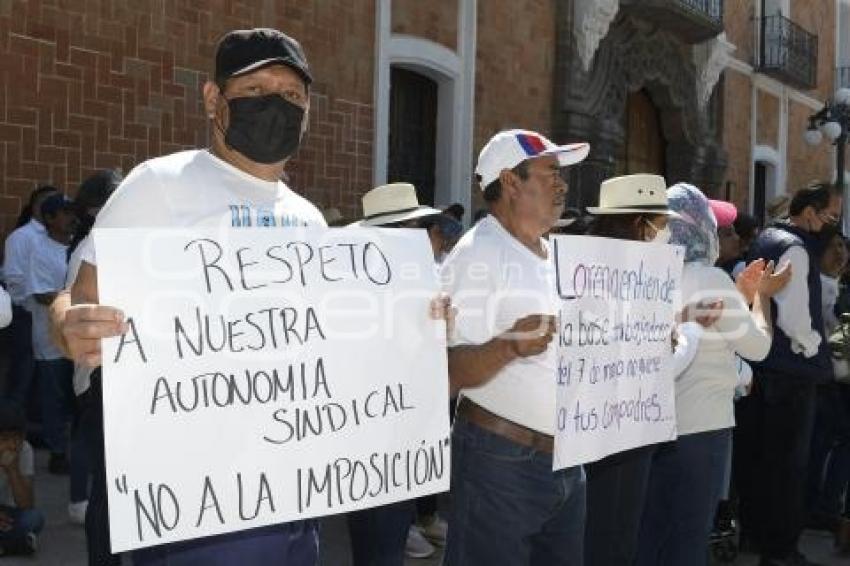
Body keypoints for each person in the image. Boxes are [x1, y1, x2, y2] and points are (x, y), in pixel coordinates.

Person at [50, 28, 327, 566]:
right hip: (199, 502)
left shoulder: (309, 218)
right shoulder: (159, 185)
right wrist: (69, 324)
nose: (277, 104)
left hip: (296, 488)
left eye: (292, 95)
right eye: (257, 90)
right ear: (212, 100)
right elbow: (74, 299)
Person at [442, 129, 590, 566]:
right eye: (550, 173)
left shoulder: (559, 256)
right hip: (500, 461)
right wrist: (508, 346)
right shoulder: (478, 254)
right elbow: (448, 369)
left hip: (564, 460)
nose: (562, 184)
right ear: (510, 181)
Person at [635, 183, 789, 566]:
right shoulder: (711, 278)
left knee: (649, 537)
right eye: (721, 228)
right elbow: (759, 347)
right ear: (700, 229)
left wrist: (742, 293)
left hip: (651, 428)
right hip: (702, 432)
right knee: (687, 541)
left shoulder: (647, 277)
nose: (729, 236)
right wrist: (763, 296)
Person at [580, 174, 703, 566]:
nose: (666, 235)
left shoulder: (593, 266)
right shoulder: (608, 276)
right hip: (611, 428)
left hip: (619, 425)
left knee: (609, 533)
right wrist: (686, 335)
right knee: (610, 535)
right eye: (663, 226)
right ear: (640, 224)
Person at [346, 182, 454, 564]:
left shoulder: (420, 284)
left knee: (385, 544)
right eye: (411, 230)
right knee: (376, 545)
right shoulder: (354, 293)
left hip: (404, 436)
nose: (421, 238)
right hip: (368, 437)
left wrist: (441, 327)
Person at [737, 182, 842, 566]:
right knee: (787, 468)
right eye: (831, 215)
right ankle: (780, 550)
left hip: (763, 366)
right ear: (810, 212)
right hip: (791, 374)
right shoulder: (795, 248)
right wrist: (817, 352)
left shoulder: (768, 237)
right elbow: (797, 319)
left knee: (760, 460)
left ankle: (756, 537)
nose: (834, 224)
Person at [66, 170, 122, 526]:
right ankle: (78, 501)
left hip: (119, 374)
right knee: (96, 459)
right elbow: (70, 308)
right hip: (97, 372)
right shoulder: (90, 251)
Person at [27, 194, 76, 475]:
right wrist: (79, 296)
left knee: (76, 399)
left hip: (77, 337)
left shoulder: (78, 245)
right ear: (48, 219)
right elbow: (42, 294)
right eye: (63, 212)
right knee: (54, 398)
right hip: (50, 341)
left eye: (71, 211)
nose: (70, 217)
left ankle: (77, 452)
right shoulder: (39, 249)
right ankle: (58, 452)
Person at [2, 186, 59, 407]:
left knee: (48, 382)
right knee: (23, 379)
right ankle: (15, 432)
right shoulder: (21, 237)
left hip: (52, 321)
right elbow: (14, 280)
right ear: (38, 207)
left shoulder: (60, 238)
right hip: (25, 318)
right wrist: (39, 295)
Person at [0, 400, 44, 556]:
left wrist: (13, 470)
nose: (12, 445)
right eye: (5, 439)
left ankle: (7, 544)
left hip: (8, 513)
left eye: (17, 439)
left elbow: (26, 504)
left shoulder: (25, 450)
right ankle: (13, 544)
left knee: (34, 518)